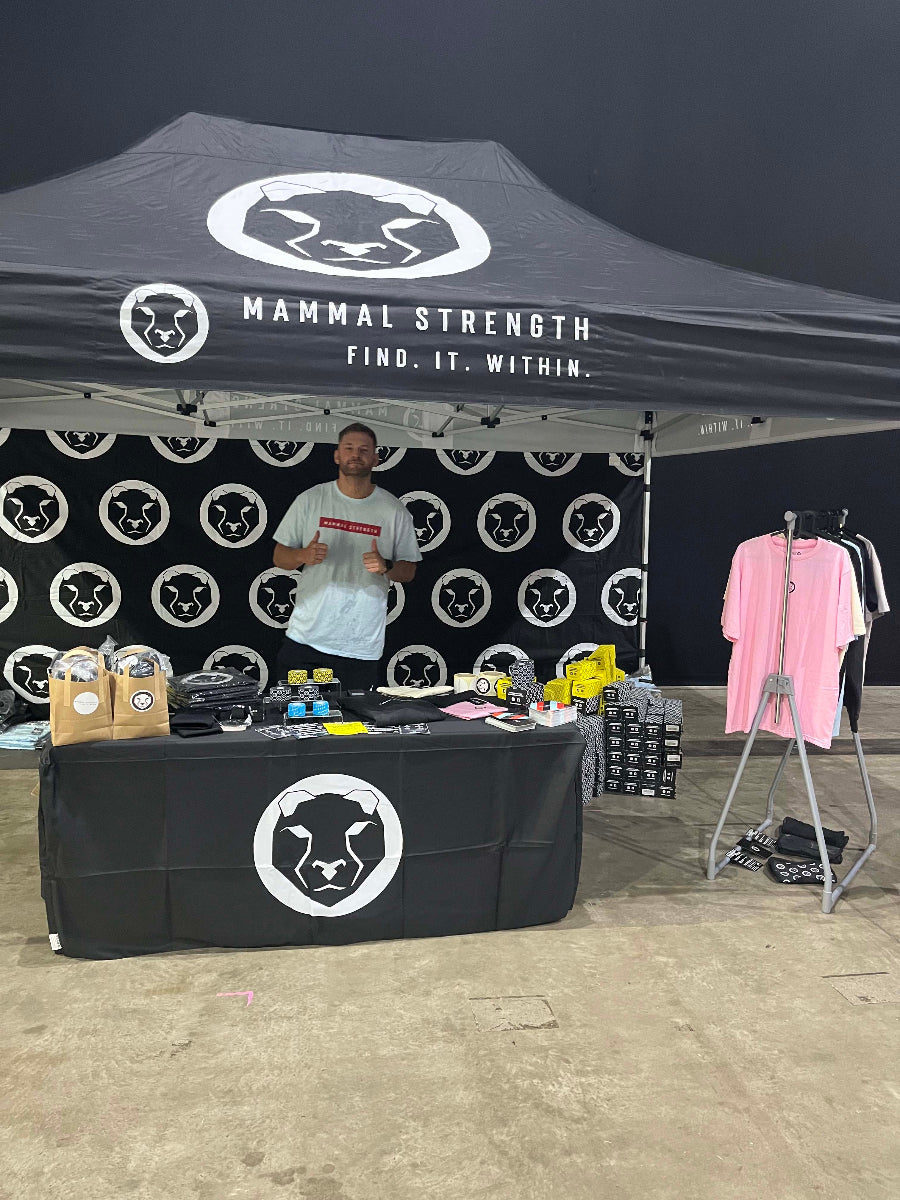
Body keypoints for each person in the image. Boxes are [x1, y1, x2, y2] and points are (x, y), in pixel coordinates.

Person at [271, 423, 421, 690]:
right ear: (337, 455)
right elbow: (279, 557)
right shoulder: (310, 500)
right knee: (294, 710)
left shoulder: (393, 510)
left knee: (352, 716)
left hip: (359, 649)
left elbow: (408, 571)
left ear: (375, 458)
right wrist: (303, 554)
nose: (356, 455)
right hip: (305, 642)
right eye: (349, 448)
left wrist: (386, 565)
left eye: (364, 450)